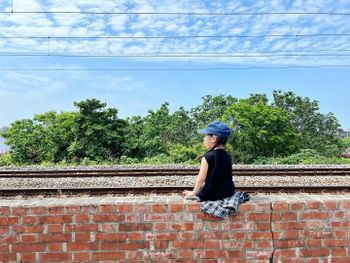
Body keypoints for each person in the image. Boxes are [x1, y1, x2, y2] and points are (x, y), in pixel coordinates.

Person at [183, 120, 235, 201]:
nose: (203, 139)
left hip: (211, 195)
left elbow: (201, 178)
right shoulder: (228, 156)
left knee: (202, 193)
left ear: (213, 139)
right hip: (228, 193)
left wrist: (194, 192)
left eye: (205, 136)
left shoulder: (208, 157)